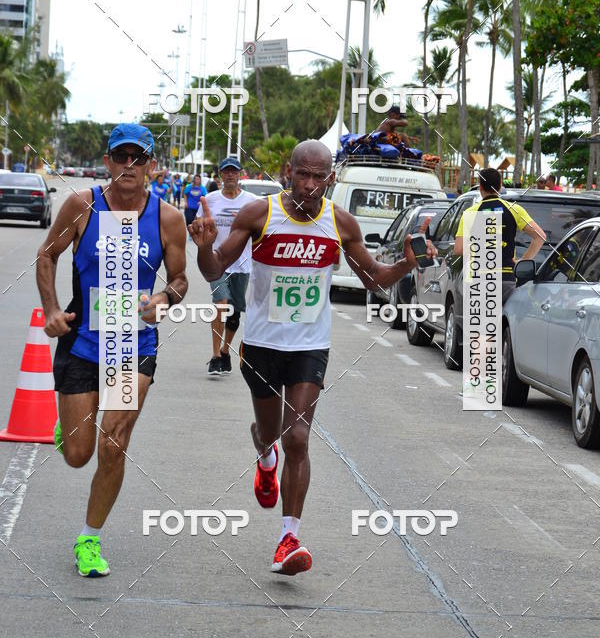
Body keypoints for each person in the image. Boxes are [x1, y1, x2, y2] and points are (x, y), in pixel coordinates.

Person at [189, 139, 436, 576]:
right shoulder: (259, 214)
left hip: (309, 346)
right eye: (300, 174)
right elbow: (214, 270)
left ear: (330, 179)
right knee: (269, 432)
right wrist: (205, 247)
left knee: (298, 437)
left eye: (317, 176)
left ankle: (289, 538)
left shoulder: (339, 223)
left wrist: (407, 266)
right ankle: (265, 459)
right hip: (262, 346)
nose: (307, 184)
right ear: (288, 171)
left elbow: (374, 280)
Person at [36, 123, 188, 577]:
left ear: (152, 166)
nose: (129, 166)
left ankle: (89, 539)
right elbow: (47, 255)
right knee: (78, 453)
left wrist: (161, 300)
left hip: (131, 344)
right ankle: (67, 426)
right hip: (82, 342)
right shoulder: (83, 206)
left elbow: (180, 280)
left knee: (114, 442)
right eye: (121, 157)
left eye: (138, 158)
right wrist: (49, 309)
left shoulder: (167, 218)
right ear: (107, 162)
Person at [197, 157, 257, 375]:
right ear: (220, 175)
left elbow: (260, 229)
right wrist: (201, 230)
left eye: (234, 171)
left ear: (240, 174)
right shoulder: (210, 200)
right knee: (221, 303)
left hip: (242, 264)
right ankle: (214, 356)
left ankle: (225, 350)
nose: (230, 175)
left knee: (234, 314)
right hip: (217, 263)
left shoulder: (252, 201)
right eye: (226, 171)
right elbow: (198, 225)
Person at [453, 166, 546, 303]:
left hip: (477, 280)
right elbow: (540, 236)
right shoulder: (514, 209)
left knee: (481, 323)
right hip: (505, 278)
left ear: (480, 188)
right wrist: (522, 262)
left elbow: (458, 249)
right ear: (500, 185)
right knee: (505, 322)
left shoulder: (470, 213)